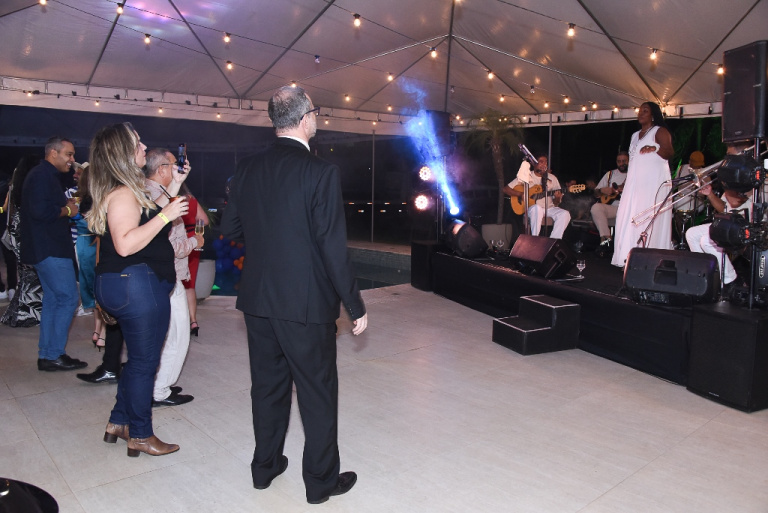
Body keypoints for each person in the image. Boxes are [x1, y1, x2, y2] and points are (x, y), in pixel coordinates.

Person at [221, 86, 367, 504]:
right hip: (304, 306)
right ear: (305, 119)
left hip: (257, 301)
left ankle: (264, 468)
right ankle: (320, 484)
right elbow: (332, 247)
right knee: (317, 392)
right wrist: (354, 303)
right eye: (315, 112)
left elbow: (229, 229)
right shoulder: (320, 172)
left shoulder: (248, 169)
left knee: (267, 388)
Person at [88, 122, 188, 457]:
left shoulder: (125, 190)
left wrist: (175, 185)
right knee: (145, 364)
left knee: (137, 363)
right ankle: (141, 435)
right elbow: (126, 244)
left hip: (129, 284)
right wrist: (166, 217)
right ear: (124, 152)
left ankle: (119, 421)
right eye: (138, 143)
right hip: (137, 285)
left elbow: (143, 222)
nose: (144, 147)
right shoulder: (122, 193)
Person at [20, 137, 87, 371]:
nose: (72, 159)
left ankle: (48, 355)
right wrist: (69, 209)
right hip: (50, 249)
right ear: (53, 153)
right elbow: (40, 211)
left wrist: (66, 205)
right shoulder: (42, 176)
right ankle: (54, 354)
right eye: (69, 154)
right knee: (68, 299)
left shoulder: (42, 175)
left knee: (53, 300)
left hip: (45, 249)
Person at [143, 148, 201, 407]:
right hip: (167, 275)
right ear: (162, 169)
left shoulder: (148, 192)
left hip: (156, 275)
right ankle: (160, 391)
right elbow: (168, 246)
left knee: (166, 335)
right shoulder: (160, 198)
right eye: (173, 164)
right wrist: (195, 241)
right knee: (177, 334)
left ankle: (160, 383)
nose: (178, 168)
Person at [611, 102, 674, 267]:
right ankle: (629, 258)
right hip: (635, 186)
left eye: (645, 111)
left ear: (653, 115)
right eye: (640, 111)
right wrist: (626, 183)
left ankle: (650, 260)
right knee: (628, 218)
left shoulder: (659, 131)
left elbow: (669, 152)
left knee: (647, 219)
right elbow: (634, 163)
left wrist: (654, 148)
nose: (641, 113)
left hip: (653, 185)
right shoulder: (634, 136)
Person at [685, 143, 751, 296]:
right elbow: (723, 208)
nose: (726, 158)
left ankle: (731, 281)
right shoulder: (733, 176)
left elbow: (736, 202)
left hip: (745, 226)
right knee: (691, 233)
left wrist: (725, 178)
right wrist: (710, 193)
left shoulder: (747, 175)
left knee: (707, 241)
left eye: (730, 155)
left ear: (741, 154)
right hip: (730, 223)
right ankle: (704, 277)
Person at [1, 155, 44, 327]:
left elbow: (6, 209)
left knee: (25, 273)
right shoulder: (34, 185)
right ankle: (29, 313)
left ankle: (18, 312)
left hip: (17, 231)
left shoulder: (14, 187)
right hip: (30, 230)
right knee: (34, 274)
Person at [503, 155, 571, 239]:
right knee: (537, 208)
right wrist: (520, 194)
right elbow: (506, 189)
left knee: (565, 214)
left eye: (546, 162)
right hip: (532, 208)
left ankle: (553, 240)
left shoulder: (552, 178)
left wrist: (557, 198)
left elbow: (556, 203)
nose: (544, 164)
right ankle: (535, 239)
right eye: (541, 162)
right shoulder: (526, 176)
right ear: (534, 163)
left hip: (549, 208)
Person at [180, 183, 208, 337]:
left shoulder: (171, 199)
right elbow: (204, 220)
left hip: (177, 241)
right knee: (189, 285)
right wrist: (194, 228)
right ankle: (193, 321)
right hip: (193, 240)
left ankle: (176, 323)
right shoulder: (191, 199)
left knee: (173, 282)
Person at [590, 151, 629, 251]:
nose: (621, 163)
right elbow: (595, 193)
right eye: (619, 161)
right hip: (613, 209)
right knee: (596, 207)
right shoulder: (610, 174)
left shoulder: (634, 175)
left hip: (629, 209)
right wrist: (602, 190)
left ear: (629, 161)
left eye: (624, 161)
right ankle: (606, 240)